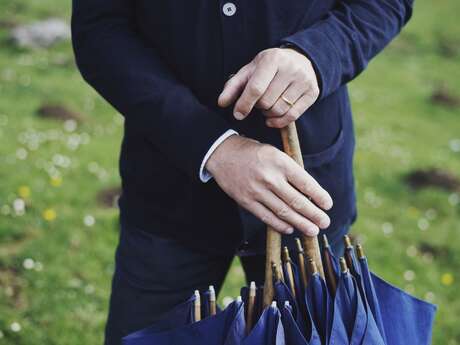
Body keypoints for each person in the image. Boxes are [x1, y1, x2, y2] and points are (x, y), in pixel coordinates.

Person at [71, 0, 413, 343]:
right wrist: (212, 146)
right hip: (169, 189)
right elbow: (100, 30)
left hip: (304, 191)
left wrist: (317, 56)